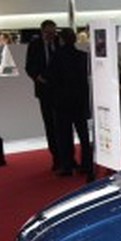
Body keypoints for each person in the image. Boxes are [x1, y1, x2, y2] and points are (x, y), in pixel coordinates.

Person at [50, 28, 92, 176]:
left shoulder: (56, 56)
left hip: (62, 102)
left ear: (61, 40)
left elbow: (52, 79)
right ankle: (86, 164)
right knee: (83, 135)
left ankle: (67, 165)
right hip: (79, 101)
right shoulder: (82, 56)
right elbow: (84, 81)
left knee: (64, 136)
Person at [25, 20, 60, 170]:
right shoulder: (35, 45)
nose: (52, 35)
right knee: (50, 125)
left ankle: (67, 156)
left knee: (63, 125)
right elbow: (29, 67)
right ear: (42, 32)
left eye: (54, 32)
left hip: (61, 90)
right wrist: (38, 78)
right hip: (44, 90)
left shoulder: (59, 42)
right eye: (48, 33)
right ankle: (56, 157)